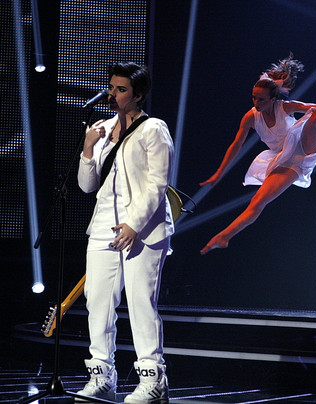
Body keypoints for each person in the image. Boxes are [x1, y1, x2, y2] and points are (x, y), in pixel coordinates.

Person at [200, 45, 316, 254]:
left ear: (273, 99)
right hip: (285, 161)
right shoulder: (250, 117)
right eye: (254, 97)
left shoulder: (285, 106)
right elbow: (236, 145)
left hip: (303, 144)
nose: (256, 102)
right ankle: (224, 237)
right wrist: (219, 173)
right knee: (257, 201)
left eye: (261, 99)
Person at [76, 62, 174, 402]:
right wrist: (88, 148)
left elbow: (157, 183)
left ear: (138, 95)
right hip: (103, 225)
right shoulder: (102, 129)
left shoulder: (153, 129)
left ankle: (153, 379)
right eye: (111, 87)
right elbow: (87, 185)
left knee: (140, 301)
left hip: (143, 229)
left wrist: (134, 224)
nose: (112, 95)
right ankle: (102, 376)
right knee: (97, 301)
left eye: (121, 90)